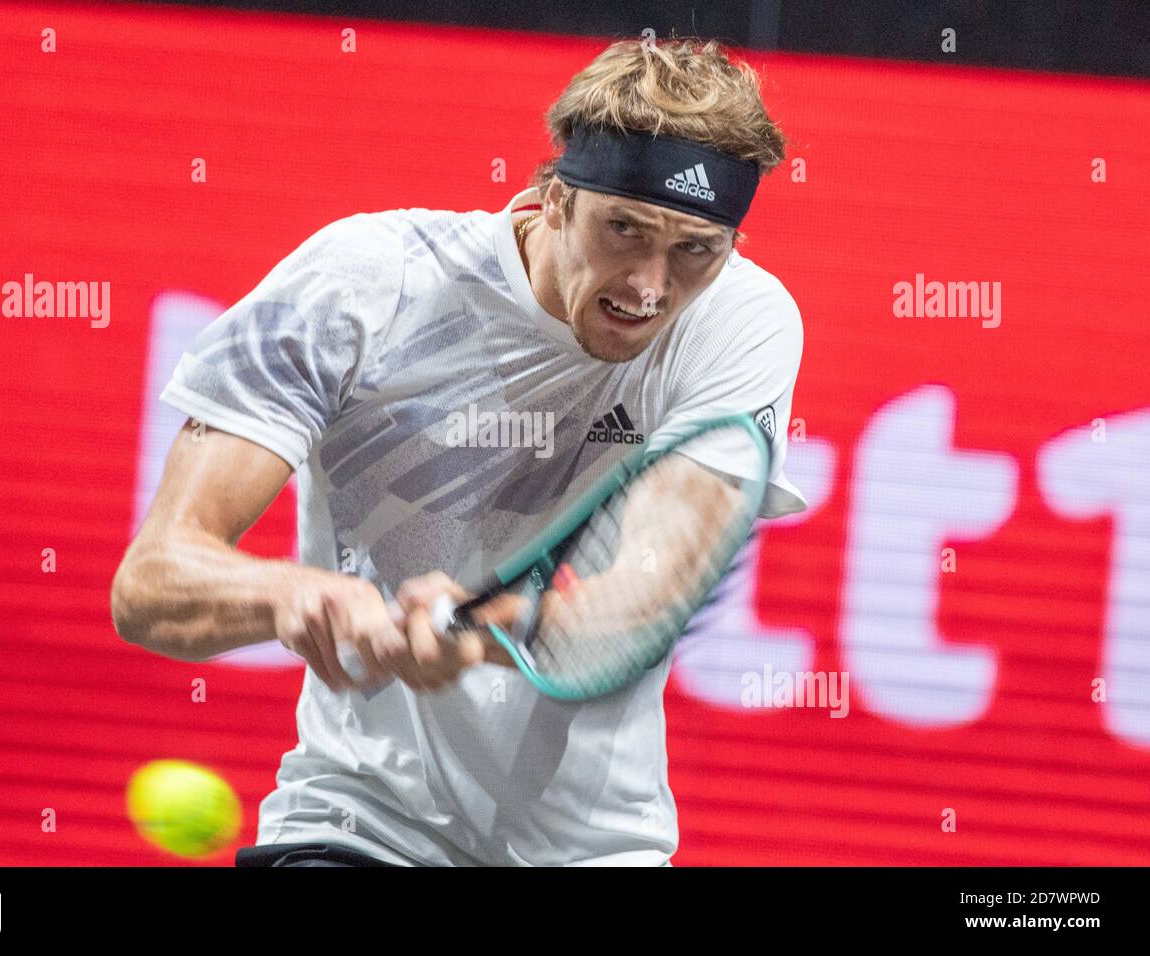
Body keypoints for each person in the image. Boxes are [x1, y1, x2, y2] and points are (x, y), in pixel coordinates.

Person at [111, 36, 807, 867]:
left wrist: (484, 634)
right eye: (624, 228)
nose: (652, 286)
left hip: (596, 850)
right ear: (553, 198)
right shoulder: (365, 282)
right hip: (357, 825)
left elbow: (653, 591)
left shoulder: (742, 320)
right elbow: (151, 584)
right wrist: (295, 594)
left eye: (696, 248)